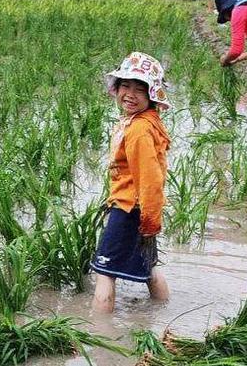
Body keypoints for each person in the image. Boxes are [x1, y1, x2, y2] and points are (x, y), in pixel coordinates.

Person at [91, 52, 171, 313]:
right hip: (140, 209)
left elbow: (150, 179)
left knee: (104, 273)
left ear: (152, 95)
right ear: (116, 87)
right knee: (149, 270)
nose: (130, 94)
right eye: (125, 85)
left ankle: (100, 338)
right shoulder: (145, 121)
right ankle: (163, 314)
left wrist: (149, 222)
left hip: (130, 211)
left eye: (140, 89)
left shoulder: (138, 130)